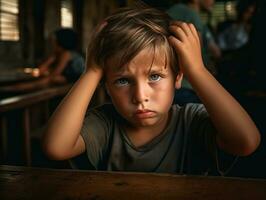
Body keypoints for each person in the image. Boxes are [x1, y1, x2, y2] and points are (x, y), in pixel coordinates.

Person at [42, 7, 260, 175]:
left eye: (155, 77)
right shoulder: (105, 124)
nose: (140, 97)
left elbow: (246, 142)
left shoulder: (190, 120)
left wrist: (197, 70)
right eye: (123, 81)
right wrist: (92, 70)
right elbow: (56, 148)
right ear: (105, 85)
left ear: (178, 77)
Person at [7, 28, 85, 91]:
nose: (51, 43)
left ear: (61, 42)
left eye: (54, 41)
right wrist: (51, 58)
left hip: (76, 80)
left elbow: (54, 74)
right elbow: (40, 71)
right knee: (46, 77)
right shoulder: (58, 54)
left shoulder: (66, 54)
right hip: (67, 79)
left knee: (50, 79)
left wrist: (36, 83)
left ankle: (15, 88)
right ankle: (17, 88)